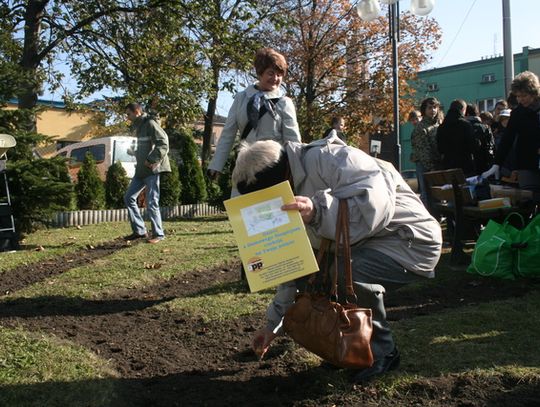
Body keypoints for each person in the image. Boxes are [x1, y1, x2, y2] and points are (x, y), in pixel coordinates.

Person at [233, 135, 442, 384]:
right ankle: (348, 348)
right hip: (365, 246)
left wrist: (317, 211)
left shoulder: (334, 159)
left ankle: (383, 352)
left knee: (344, 271)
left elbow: (374, 209)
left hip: (408, 241)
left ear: (281, 179)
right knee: (317, 273)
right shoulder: (284, 190)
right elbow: (292, 265)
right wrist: (272, 327)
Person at [207, 48, 301, 181]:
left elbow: (293, 141)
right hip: (245, 169)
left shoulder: (285, 103)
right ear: (259, 73)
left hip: (274, 169)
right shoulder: (241, 98)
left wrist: (296, 173)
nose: (275, 78)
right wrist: (216, 165)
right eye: (271, 73)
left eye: (279, 74)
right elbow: (228, 134)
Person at [483, 71, 540, 193]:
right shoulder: (517, 114)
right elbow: (507, 139)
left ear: (534, 92)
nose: (520, 100)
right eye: (518, 96)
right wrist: (497, 163)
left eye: (524, 95)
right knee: (530, 199)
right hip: (526, 163)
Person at [123, 102, 171, 244]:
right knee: (129, 197)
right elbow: (145, 146)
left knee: (151, 202)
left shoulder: (150, 123)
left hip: (151, 169)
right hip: (140, 171)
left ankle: (159, 234)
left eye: (128, 114)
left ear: (137, 111)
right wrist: (134, 152)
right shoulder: (138, 126)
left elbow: (163, 143)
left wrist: (151, 159)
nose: (127, 117)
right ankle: (140, 231)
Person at [410, 98, 442, 208]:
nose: (433, 110)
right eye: (429, 108)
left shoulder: (439, 123)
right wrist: (432, 168)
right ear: (424, 110)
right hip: (425, 165)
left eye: (435, 107)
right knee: (427, 195)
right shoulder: (421, 127)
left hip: (437, 164)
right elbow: (423, 151)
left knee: (438, 195)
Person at [436, 99, 476, 177]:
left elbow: (440, 149)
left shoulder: (441, 127)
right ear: (463, 110)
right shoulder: (465, 125)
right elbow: (472, 146)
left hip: (448, 166)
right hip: (465, 166)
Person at [465, 104, 494, 174]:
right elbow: (491, 146)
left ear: (466, 114)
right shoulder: (484, 127)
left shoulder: (463, 127)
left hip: (467, 164)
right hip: (483, 164)